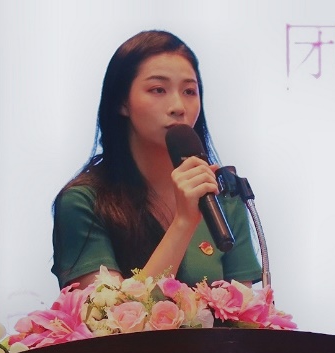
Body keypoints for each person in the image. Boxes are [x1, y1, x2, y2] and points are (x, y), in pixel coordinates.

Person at [51, 31, 263, 290]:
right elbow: (109, 313)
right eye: (158, 90)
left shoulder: (222, 195)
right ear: (122, 102)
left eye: (189, 91)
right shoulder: (83, 202)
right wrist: (183, 223)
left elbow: (242, 311)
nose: (178, 107)